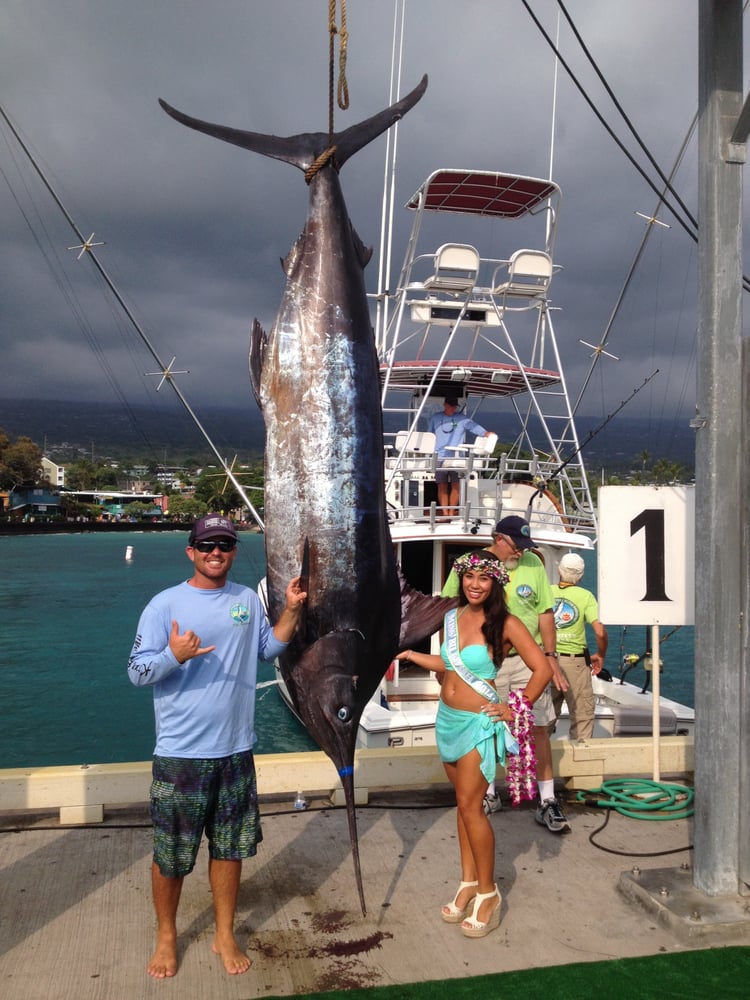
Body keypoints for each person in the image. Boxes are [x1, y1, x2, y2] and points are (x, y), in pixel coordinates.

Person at [127, 514, 307, 979]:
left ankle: (224, 932)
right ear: (190, 551)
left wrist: (291, 609)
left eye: (225, 544)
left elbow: (268, 649)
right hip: (180, 755)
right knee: (171, 855)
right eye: (206, 544)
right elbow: (136, 672)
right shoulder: (164, 606)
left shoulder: (246, 599)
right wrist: (174, 656)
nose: (216, 552)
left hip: (235, 751)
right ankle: (167, 936)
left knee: (230, 849)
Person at [397, 550, 552, 938]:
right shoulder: (450, 618)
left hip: (478, 725)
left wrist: (515, 707)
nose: (476, 584)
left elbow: (542, 669)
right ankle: (468, 882)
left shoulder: (506, 624)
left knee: (472, 808)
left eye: (484, 578)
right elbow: (450, 666)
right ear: (462, 580)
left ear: (495, 583)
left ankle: (488, 893)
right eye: (470, 577)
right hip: (446, 721)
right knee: (463, 807)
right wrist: (412, 654)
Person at [442, 515, 571, 833]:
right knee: (484, 730)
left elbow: (544, 613)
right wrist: (450, 665)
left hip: (525, 661)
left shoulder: (533, 564)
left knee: (537, 728)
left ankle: (546, 800)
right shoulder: (467, 564)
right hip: (483, 664)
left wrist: (551, 658)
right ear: (497, 538)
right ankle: (487, 795)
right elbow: (447, 610)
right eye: (516, 545)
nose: (521, 552)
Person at [550, 552, 608, 740]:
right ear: (581, 576)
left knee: (543, 718)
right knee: (581, 717)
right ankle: (579, 765)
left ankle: (540, 763)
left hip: (546, 661)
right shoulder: (586, 596)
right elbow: (599, 632)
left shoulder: (547, 591)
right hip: (574, 663)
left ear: (559, 571)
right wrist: (600, 654)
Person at [428, 395, 492, 516]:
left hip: (457, 458)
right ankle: (445, 513)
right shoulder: (435, 418)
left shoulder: (461, 419)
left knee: (456, 485)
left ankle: (451, 512)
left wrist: (486, 433)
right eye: (450, 405)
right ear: (445, 405)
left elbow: (473, 427)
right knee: (442, 485)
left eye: (454, 406)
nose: (452, 408)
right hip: (439, 456)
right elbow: (430, 435)